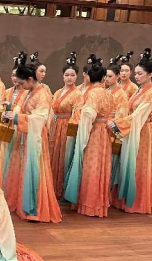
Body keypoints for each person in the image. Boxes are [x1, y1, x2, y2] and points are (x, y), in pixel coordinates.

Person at [3, 59, 62, 223]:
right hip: (25, 134)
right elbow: (21, 108)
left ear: (30, 79)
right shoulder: (30, 91)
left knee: (34, 168)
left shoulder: (42, 94)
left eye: (22, 83)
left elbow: (40, 118)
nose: (20, 86)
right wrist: (11, 113)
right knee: (21, 167)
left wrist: (17, 118)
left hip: (35, 136)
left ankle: (34, 208)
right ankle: (21, 202)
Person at [64, 57, 113, 217]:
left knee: (91, 166)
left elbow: (88, 115)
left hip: (94, 132)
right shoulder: (107, 93)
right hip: (104, 132)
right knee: (100, 165)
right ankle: (98, 204)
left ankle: (89, 204)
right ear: (103, 77)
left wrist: (82, 136)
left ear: (89, 77)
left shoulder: (93, 93)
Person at [108, 55, 152, 214]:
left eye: (140, 73)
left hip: (142, 131)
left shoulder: (151, 93)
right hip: (132, 129)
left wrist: (118, 123)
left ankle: (137, 202)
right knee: (127, 163)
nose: (137, 76)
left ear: (150, 75)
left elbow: (139, 115)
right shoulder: (139, 90)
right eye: (136, 73)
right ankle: (123, 200)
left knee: (138, 165)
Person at [49, 54, 83, 201]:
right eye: (67, 75)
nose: (69, 78)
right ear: (63, 76)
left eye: (72, 75)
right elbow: (51, 110)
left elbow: (77, 114)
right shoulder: (57, 92)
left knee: (64, 156)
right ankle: (51, 187)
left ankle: (62, 189)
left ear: (77, 76)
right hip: (55, 125)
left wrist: (71, 131)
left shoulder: (77, 94)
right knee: (53, 154)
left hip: (67, 126)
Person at [0, 56, 28, 187]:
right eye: (13, 75)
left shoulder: (26, 93)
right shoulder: (7, 92)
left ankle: (15, 185)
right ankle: (3, 183)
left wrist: (12, 109)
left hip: (19, 128)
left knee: (17, 156)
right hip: (6, 128)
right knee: (5, 155)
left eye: (17, 75)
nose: (15, 78)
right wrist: (3, 108)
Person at [106, 57, 129, 190]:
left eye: (110, 76)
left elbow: (122, 114)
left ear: (117, 76)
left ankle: (108, 189)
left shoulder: (122, 94)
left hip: (112, 129)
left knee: (111, 160)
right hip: (102, 127)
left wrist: (113, 121)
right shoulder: (105, 91)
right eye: (106, 76)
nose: (107, 79)